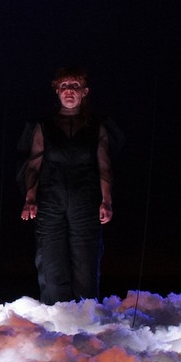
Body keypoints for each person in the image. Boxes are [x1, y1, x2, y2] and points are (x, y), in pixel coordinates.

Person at [19, 66, 113, 304]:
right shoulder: (44, 126)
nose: (69, 91)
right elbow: (33, 164)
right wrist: (30, 199)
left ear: (84, 92)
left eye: (75, 86)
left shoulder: (96, 127)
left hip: (85, 198)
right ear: (57, 92)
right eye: (64, 86)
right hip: (51, 198)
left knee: (86, 260)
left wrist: (106, 200)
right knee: (51, 259)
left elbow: (104, 164)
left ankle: (84, 319)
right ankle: (57, 317)